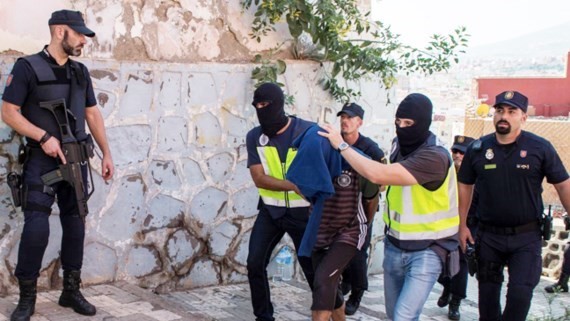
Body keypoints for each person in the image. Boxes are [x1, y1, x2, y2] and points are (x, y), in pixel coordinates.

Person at [1, 9, 114, 321]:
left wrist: (106, 153)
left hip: (77, 157)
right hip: (42, 157)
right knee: (36, 226)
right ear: (59, 31)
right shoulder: (27, 67)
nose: (84, 40)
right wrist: (43, 136)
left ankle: (71, 290)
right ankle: (27, 298)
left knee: (76, 222)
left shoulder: (80, 72)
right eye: (79, 34)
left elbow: (92, 113)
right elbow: (9, 112)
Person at [319, 93, 460, 320]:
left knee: (404, 316)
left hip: (428, 249)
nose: (401, 128)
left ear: (424, 123)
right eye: (398, 122)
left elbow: (378, 174)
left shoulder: (434, 156)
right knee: (394, 314)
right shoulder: (399, 145)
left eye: (408, 124)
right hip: (395, 245)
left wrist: (341, 145)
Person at [457, 90, 570, 321]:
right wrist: (462, 226)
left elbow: (563, 185)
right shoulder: (478, 149)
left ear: (523, 117)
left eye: (511, 111)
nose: (503, 116)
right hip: (488, 236)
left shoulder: (540, 148)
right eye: (499, 111)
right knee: (487, 302)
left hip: (526, 237)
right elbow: (465, 187)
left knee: (520, 295)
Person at [245, 82, 315, 321]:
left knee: (314, 273)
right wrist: (295, 186)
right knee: (254, 263)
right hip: (271, 211)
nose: (261, 109)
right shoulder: (255, 136)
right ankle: (263, 317)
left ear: (279, 104)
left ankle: (329, 314)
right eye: (257, 105)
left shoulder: (307, 132)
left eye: (266, 104)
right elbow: (259, 178)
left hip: (303, 215)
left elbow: (323, 169)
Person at [334, 103, 386, 316]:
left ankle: (357, 293)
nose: (345, 121)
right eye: (343, 117)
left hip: (363, 208)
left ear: (359, 122)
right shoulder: (334, 142)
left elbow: (383, 179)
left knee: (358, 252)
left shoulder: (370, 148)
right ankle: (345, 283)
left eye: (350, 117)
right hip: (338, 207)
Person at [436, 135, 476, 321]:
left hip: (467, 226)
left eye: (462, 152)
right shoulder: (444, 171)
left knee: (460, 264)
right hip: (443, 225)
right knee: (437, 263)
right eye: (455, 151)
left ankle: (455, 302)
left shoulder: (477, 175)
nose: (458, 155)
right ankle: (447, 287)